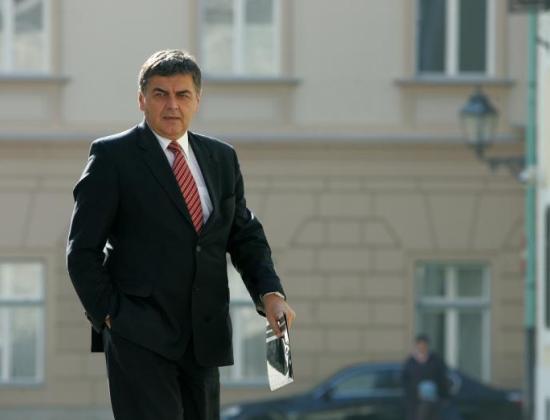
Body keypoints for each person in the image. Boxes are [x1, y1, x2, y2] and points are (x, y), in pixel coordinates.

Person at [66, 49, 296, 420]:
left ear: (197, 100)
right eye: (160, 94)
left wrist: (270, 294)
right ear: (142, 100)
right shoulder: (112, 156)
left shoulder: (221, 158)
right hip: (138, 334)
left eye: (182, 94)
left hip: (203, 337)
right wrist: (110, 315)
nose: (172, 105)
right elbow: (81, 251)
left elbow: (244, 235)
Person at [402, 334, 449, 420]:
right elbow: (405, 381)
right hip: (416, 402)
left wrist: (443, 396)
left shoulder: (435, 360)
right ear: (417, 346)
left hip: (434, 401)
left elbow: (443, 379)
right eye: (420, 345)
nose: (422, 347)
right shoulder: (410, 362)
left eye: (424, 345)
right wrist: (414, 393)